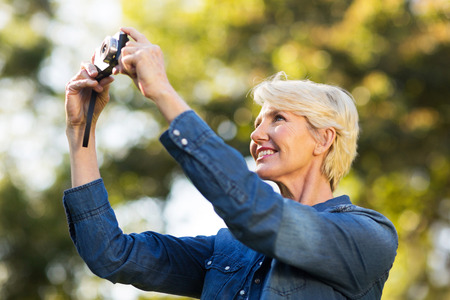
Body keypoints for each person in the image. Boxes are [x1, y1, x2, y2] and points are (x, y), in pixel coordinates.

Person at [63, 27, 398, 299]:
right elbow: (111, 254)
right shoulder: (226, 250)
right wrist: (81, 133)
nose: (258, 135)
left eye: (277, 119)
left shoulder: (368, 236)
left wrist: (162, 91)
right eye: (257, 125)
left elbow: (258, 215)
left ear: (323, 139)